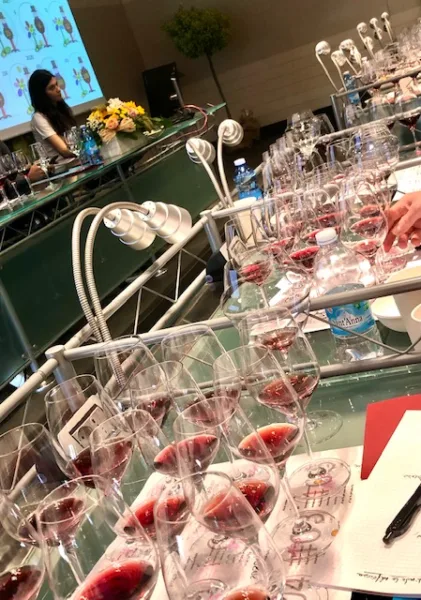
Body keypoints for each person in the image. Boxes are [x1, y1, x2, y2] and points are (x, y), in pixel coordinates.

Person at [29, 69, 76, 159]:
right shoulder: (38, 118)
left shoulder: (61, 108)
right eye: (51, 88)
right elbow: (64, 150)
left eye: (56, 84)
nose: (58, 89)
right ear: (41, 94)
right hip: (63, 165)